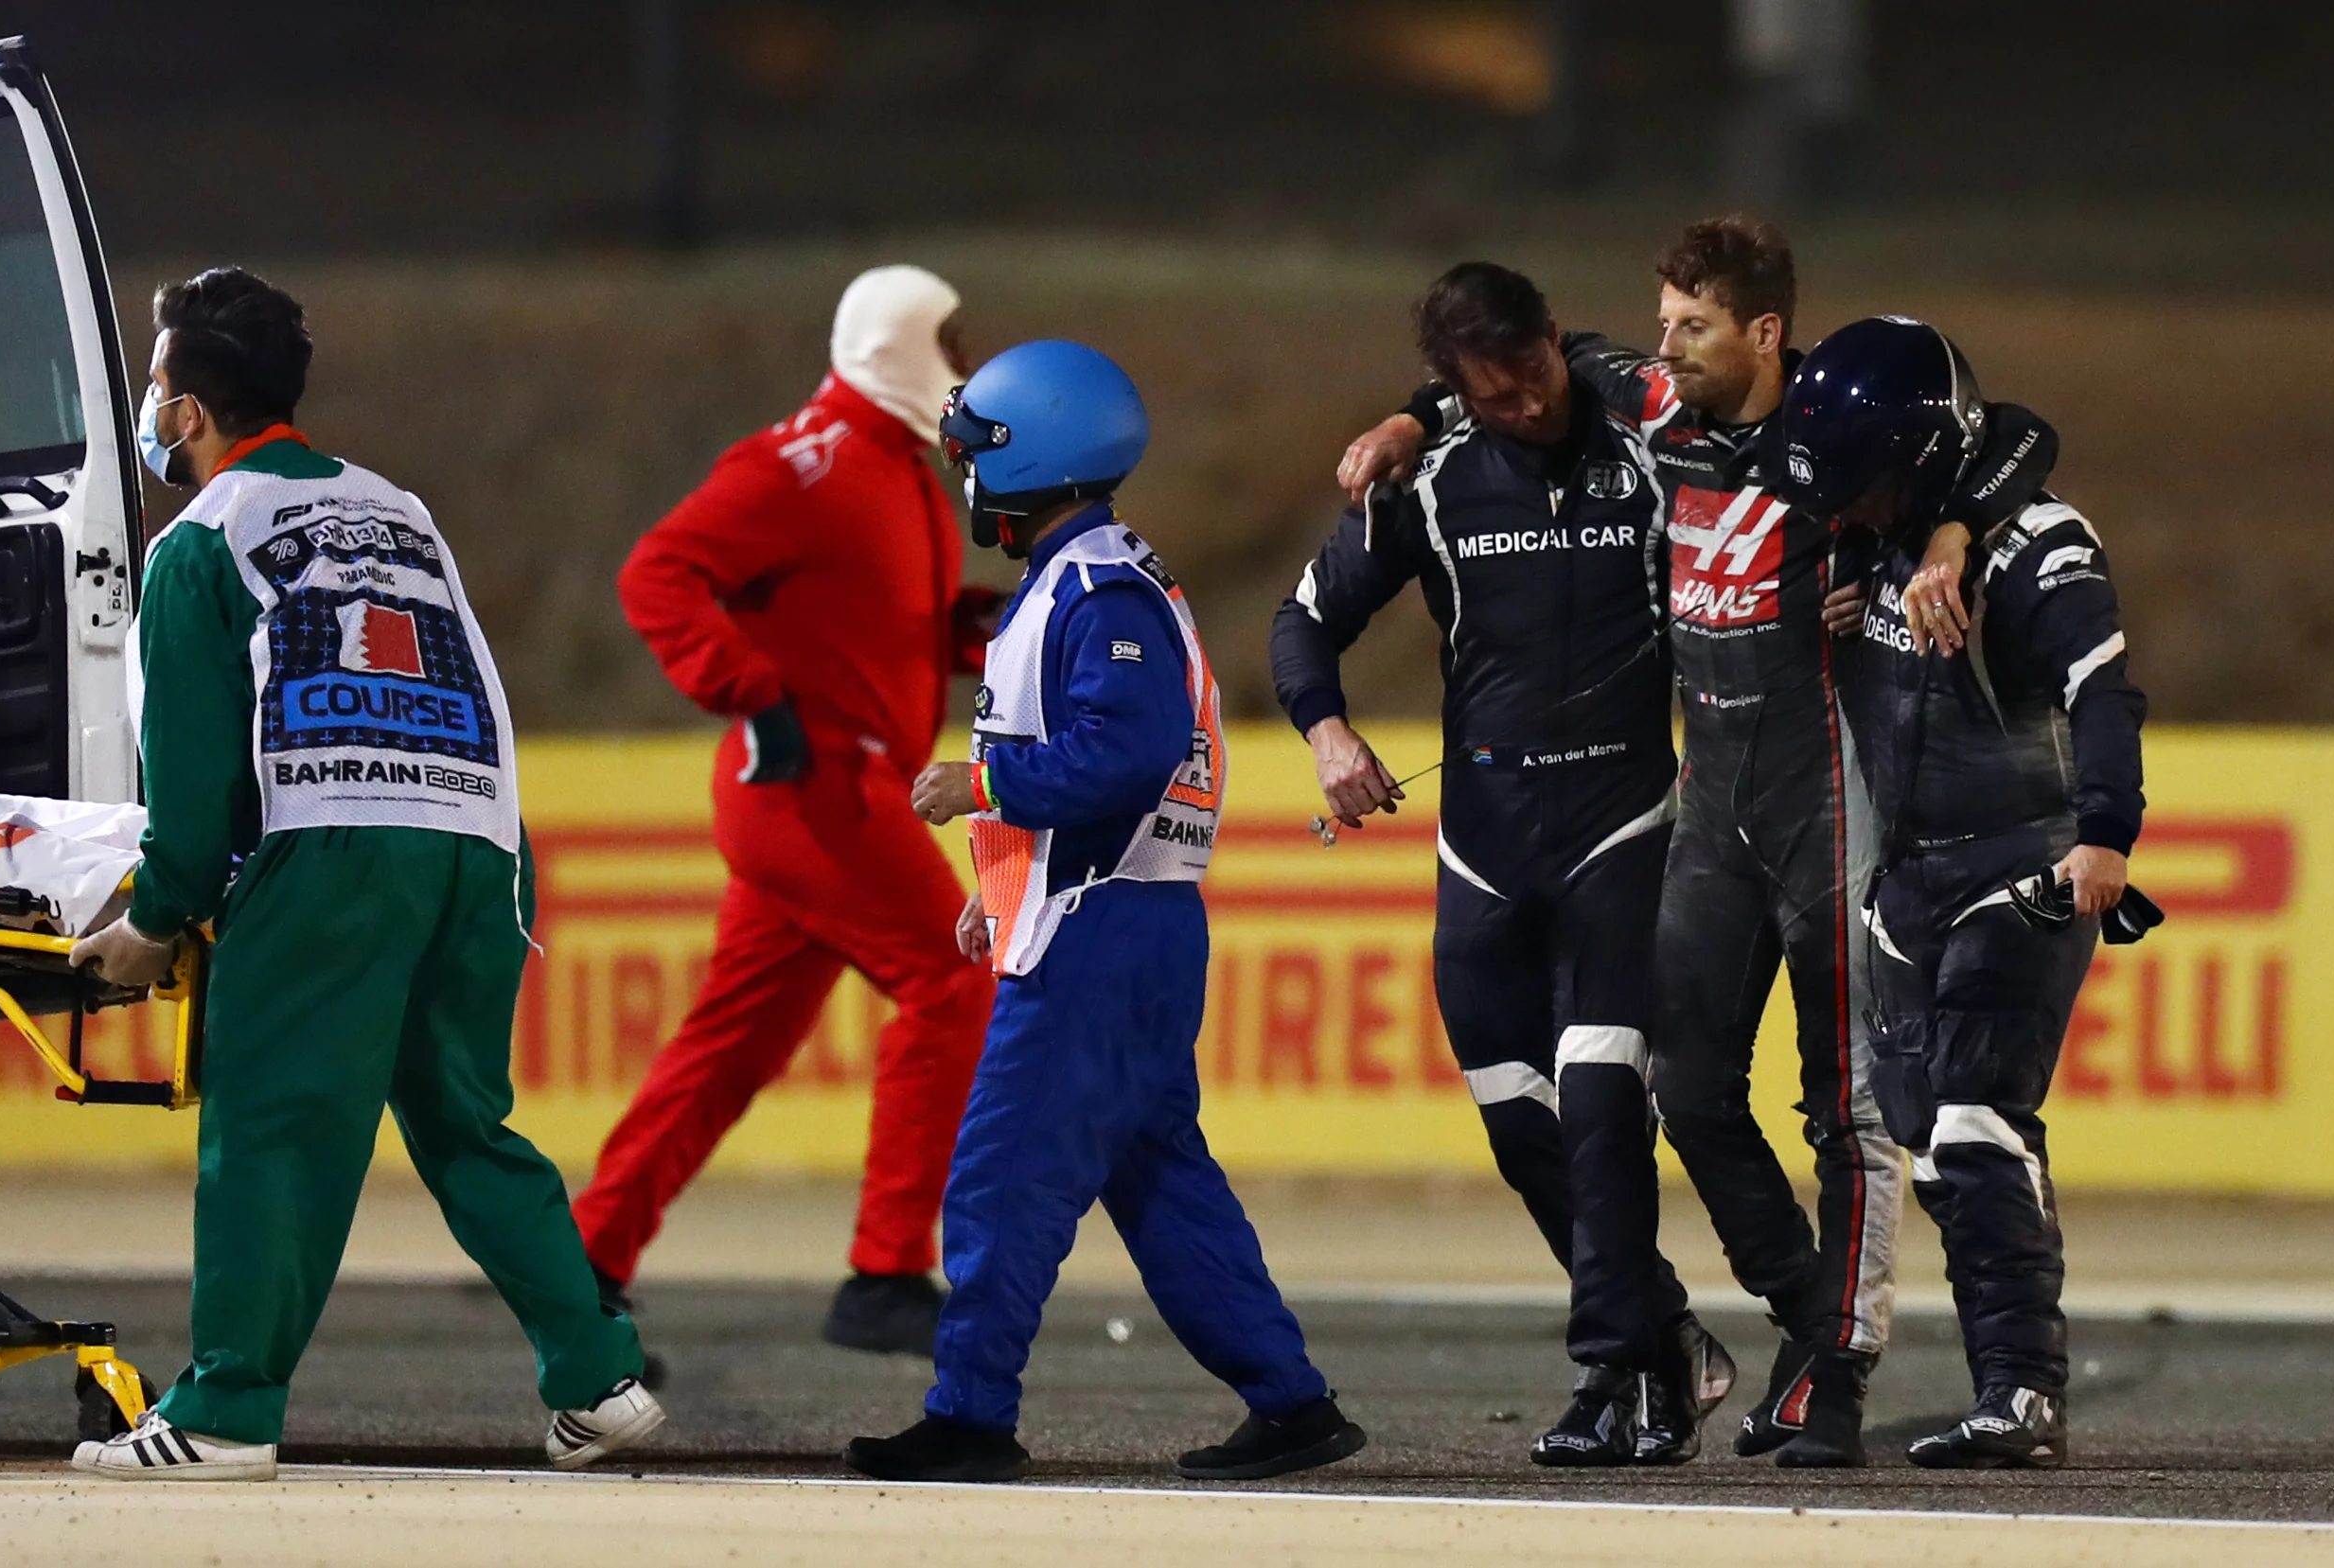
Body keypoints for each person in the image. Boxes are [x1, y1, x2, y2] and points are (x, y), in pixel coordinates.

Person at [1337, 219, 2053, 1467]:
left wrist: (1947, 533)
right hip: (1711, 818)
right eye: (1661, 322)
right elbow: (1526, 361)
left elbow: (2018, 437)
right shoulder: (1651, 408)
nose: (1661, 346)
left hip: (1827, 809)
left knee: (1848, 1113)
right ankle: (1799, 1318)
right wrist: (1411, 417)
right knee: (1688, 1092)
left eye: (1691, 325)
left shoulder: (1834, 422)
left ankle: (1851, 1382)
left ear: (1763, 332)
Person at [67, 268, 660, 1481]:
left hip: (333, 848)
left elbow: (188, 763)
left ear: (185, 410)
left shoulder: (201, 542)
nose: (147, 399)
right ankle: (599, 1379)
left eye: (152, 379)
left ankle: (227, 1408)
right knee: (462, 1123)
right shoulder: (397, 505)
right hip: (479, 849)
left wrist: (160, 914)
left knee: (277, 1124)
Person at [848, 341, 1365, 1485]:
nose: (965, 471)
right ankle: (1290, 1402)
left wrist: (979, 787)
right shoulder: (1098, 575)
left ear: (1034, 454)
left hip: (1102, 929)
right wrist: (1003, 890)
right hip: (1119, 920)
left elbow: (1118, 756)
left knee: (999, 1175)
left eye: (979, 449)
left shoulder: (1093, 587)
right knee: (1161, 1181)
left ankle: (970, 1413)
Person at [1274, 262, 1727, 1468]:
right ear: (1454, 388)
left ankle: (1611, 1376)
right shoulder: (1426, 471)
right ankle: (1664, 1339)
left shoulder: (1639, 428)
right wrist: (1326, 730)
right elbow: (1301, 623)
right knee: (1518, 1118)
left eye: (1530, 373)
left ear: (1547, 342)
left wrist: (1416, 405)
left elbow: (1680, 383)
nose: (1523, 403)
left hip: (1622, 824)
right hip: (1479, 846)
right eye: (1490, 392)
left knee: (1596, 1098)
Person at [572, 266, 1002, 1357]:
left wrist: (980, 633)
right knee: (955, 981)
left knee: (727, 1049)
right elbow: (656, 573)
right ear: (897, 344)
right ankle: (884, 1271)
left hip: (820, 787)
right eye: (948, 340)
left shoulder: (894, 466)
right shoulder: (804, 461)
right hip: (814, 784)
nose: (961, 361)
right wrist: (749, 692)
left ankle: (578, 1262)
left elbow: (869, 620)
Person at [1778, 314, 2149, 1469]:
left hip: (2022, 861)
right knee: (1927, 1139)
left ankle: (2021, 1390)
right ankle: (2008, 1376)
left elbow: (2102, 692)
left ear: (1926, 456)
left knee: (1981, 1117)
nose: (1847, 506)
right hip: (1909, 872)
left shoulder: (2036, 547)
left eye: (1869, 483)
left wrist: (2102, 835)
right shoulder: (1883, 535)